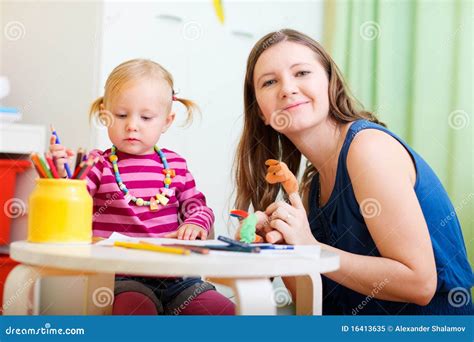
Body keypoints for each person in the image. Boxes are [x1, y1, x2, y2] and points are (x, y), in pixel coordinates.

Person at [234, 29, 472, 315]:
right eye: (270, 82)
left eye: (302, 73)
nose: (287, 88)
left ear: (330, 83)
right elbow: (315, 304)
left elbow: (420, 284)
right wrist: (287, 248)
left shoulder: (368, 150)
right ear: (260, 111)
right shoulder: (311, 188)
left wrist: (310, 247)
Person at [50, 59, 234, 315]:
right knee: (134, 311)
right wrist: (63, 174)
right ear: (105, 114)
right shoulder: (97, 164)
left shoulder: (176, 166)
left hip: (177, 278)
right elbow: (72, 201)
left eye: (146, 117)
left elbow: (198, 207)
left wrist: (195, 223)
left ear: (167, 121)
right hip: (119, 278)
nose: (132, 125)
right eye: (121, 115)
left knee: (223, 311)